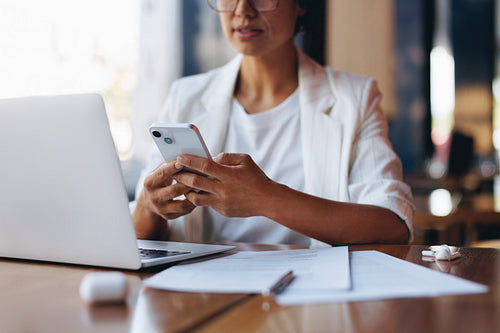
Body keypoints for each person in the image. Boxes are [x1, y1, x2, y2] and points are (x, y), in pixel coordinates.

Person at [131, 0, 415, 247]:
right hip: (209, 296)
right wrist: (148, 204)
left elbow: (392, 225)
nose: (243, 10)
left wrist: (266, 198)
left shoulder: (354, 98)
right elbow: (140, 232)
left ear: (300, 3)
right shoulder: (186, 96)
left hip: (314, 297)